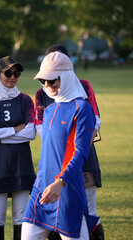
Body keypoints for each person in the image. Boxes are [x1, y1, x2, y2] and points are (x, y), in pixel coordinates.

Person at [22, 51, 99, 240]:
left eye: (52, 80)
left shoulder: (82, 109)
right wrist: (43, 184)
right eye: (43, 81)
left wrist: (60, 182)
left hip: (67, 191)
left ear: (65, 77)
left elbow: (80, 153)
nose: (47, 86)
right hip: (40, 190)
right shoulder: (48, 111)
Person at [0, 56, 36, 240]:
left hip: (22, 164)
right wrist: (15, 129)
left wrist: (0, 133)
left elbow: (31, 133)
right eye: (8, 73)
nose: (12, 77)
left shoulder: (25, 100)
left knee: (21, 217)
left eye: (16, 73)